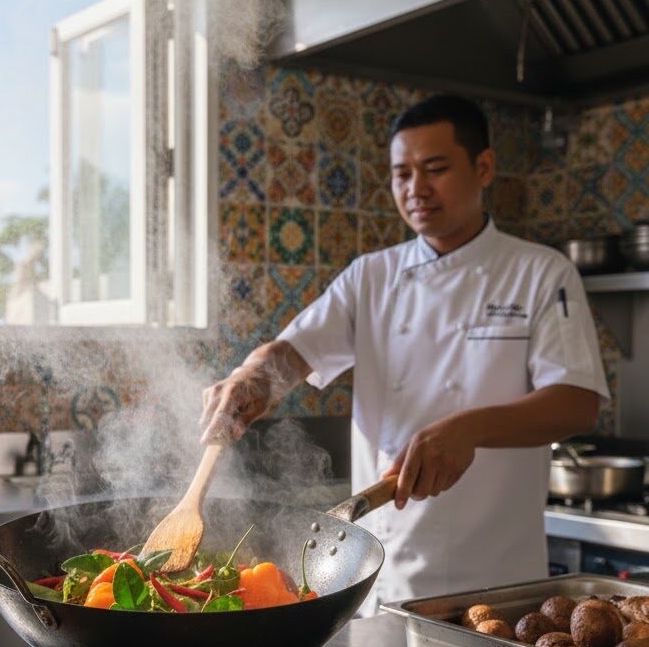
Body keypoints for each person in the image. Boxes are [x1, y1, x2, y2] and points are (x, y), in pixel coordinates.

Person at [201, 94, 608, 613]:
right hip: (379, 580)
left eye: (435, 169)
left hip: (496, 589)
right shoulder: (372, 276)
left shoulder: (541, 273)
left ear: (483, 168)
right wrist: (252, 375)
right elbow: (294, 352)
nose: (416, 189)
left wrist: (470, 428)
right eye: (401, 174)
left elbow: (577, 402)